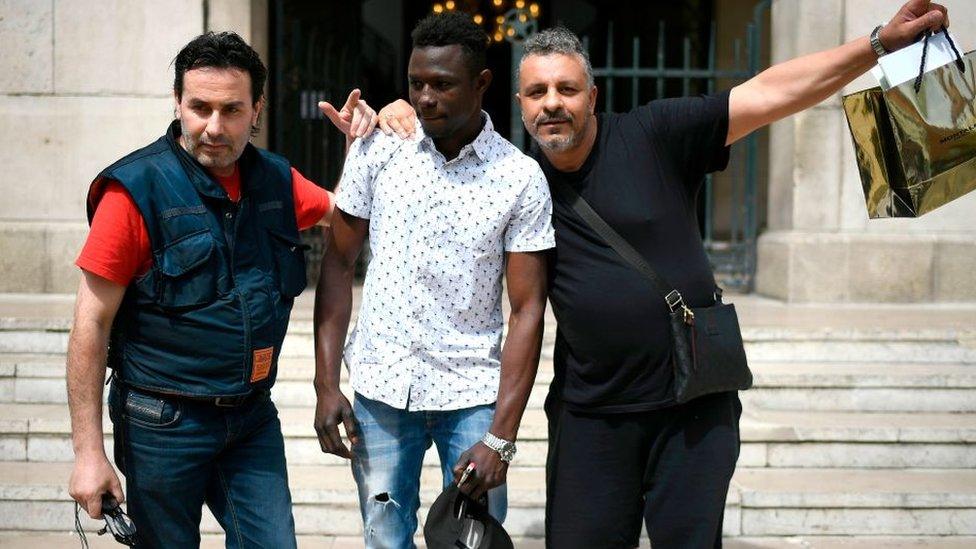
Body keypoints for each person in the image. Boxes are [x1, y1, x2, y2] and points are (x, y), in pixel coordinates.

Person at [376, 1, 951, 547]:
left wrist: (880, 43)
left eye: (567, 89)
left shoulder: (657, 133)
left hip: (692, 408)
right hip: (592, 418)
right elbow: (439, 159)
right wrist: (394, 116)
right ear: (520, 103)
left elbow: (775, 91)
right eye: (537, 92)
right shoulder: (513, 180)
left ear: (592, 96)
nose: (552, 103)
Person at [65, 31, 375, 547]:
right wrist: (88, 455)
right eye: (199, 107)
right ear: (177, 103)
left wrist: (361, 149)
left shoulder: (276, 179)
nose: (213, 127)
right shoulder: (135, 190)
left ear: (257, 109)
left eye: (231, 109)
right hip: (161, 421)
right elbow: (89, 325)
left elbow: (343, 212)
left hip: (251, 418)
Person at [313, 12, 553, 549]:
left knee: (469, 542)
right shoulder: (379, 150)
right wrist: (326, 383)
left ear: (482, 85)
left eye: (442, 85)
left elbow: (527, 310)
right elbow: (336, 262)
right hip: (380, 389)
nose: (425, 98)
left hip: (472, 396)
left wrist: (503, 437)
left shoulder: (518, 177)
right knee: (384, 536)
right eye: (416, 83)